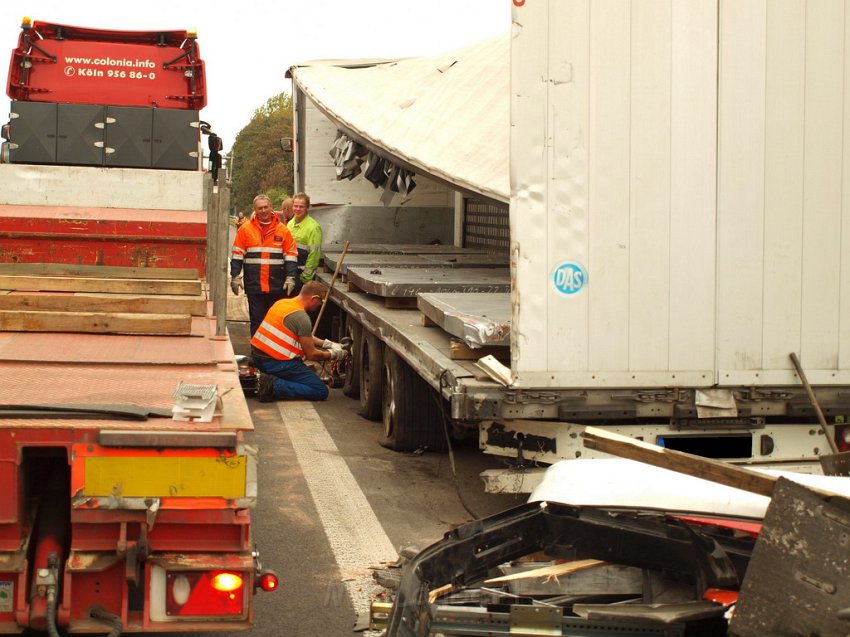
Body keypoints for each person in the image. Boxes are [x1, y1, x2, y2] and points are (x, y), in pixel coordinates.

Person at [252, 281, 349, 401]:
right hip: (277, 363)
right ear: (314, 298)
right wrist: (334, 354)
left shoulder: (282, 303)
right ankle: (273, 385)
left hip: (258, 357)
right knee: (320, 390)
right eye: (322, 301)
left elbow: (305, 336)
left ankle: (270, 378)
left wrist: (328, 344)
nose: (320, 305)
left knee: (302, 370)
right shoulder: (302, 318)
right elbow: (312, 354)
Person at [230, 194, 299, 337]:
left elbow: (291, 256)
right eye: (260, 208)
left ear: (271, 207)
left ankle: (272, 355)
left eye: (266, 207)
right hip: (254, 285)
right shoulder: (245, 229)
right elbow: (237, 255)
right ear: (255, 209)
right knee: (257, 320)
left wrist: (291, 277)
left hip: (276, 286)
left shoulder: (283, 230)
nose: (263, 211)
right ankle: (257, 355)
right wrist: (235, 276)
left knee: (274, 322)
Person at [286, 192, 323, 296]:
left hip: (301, 278)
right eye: (295, 206)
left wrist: (305, 278)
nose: (297, 209)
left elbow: (314, 255)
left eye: (301, 207)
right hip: (290, 274)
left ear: (307, 208)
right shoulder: (290, 224)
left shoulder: (313, 227)